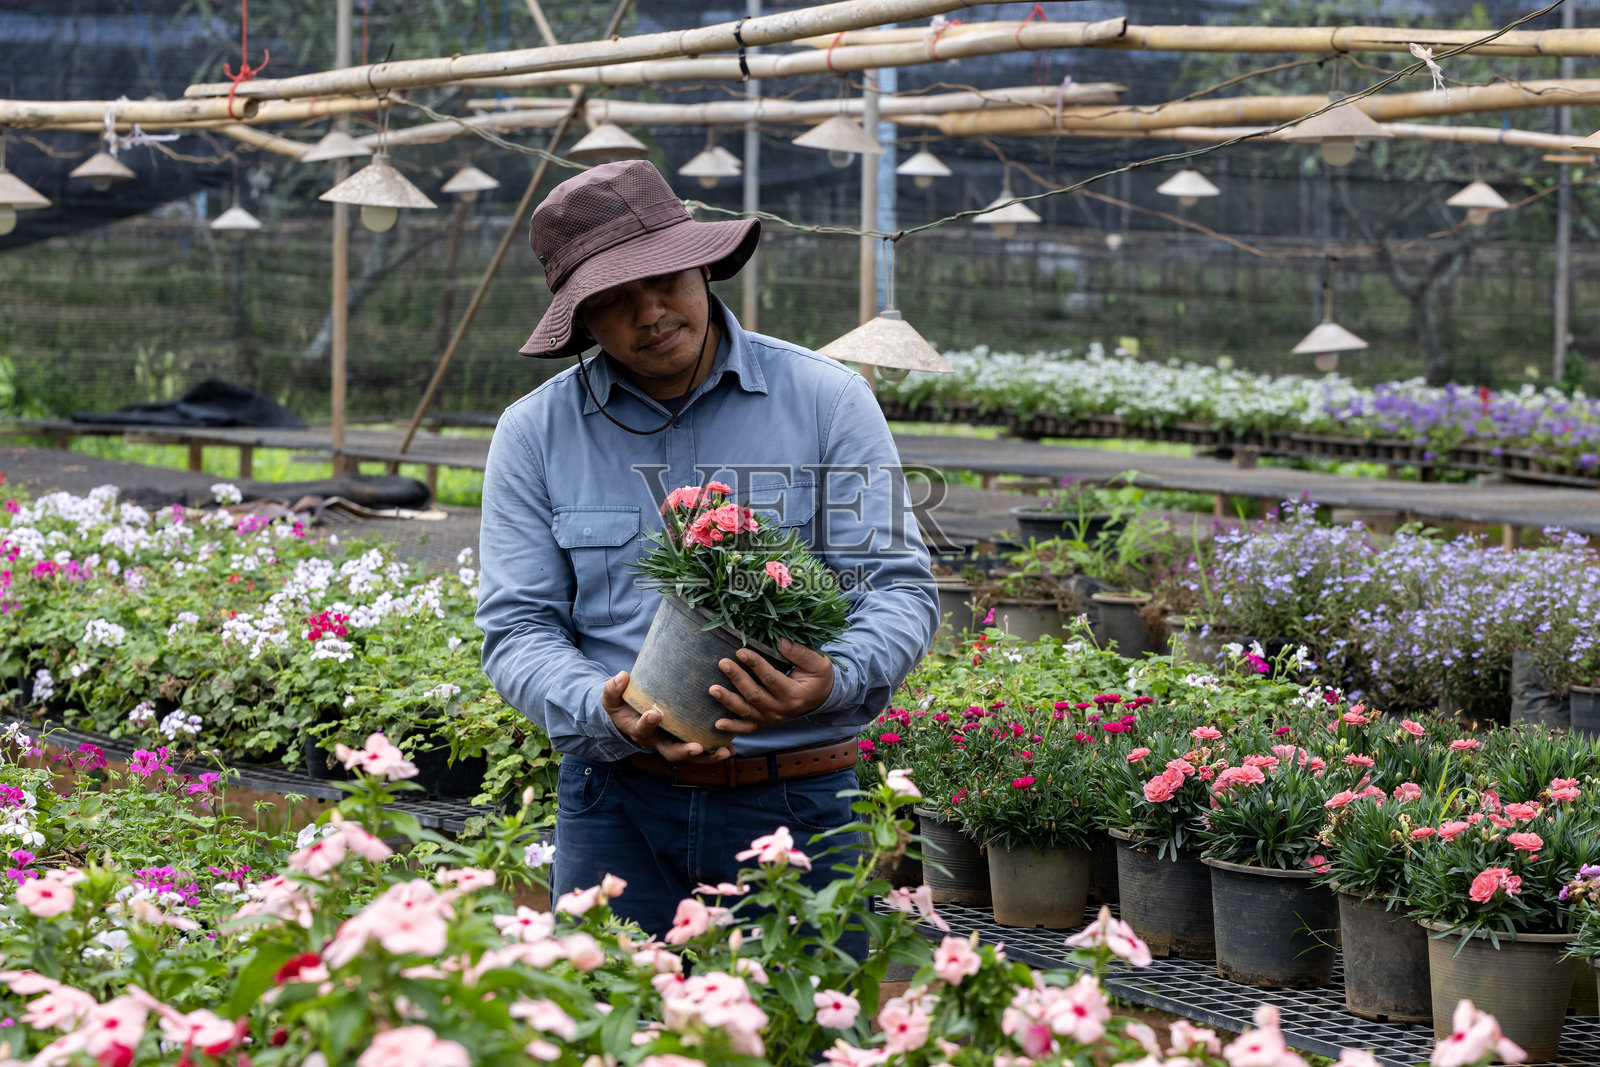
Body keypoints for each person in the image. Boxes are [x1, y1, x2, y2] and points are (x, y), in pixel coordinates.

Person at [475, 159, 938, 938]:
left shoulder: (827, 401)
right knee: (612, 1041)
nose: (650, 311)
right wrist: (603, 707)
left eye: (664, 278)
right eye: (613, 299)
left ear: (701, 263)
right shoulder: (535, 435)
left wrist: (831, 681)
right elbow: (517, 629)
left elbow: (898, 588)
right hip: (614, 804)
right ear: (581, 318)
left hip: (799, 800)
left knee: (809, 1043)